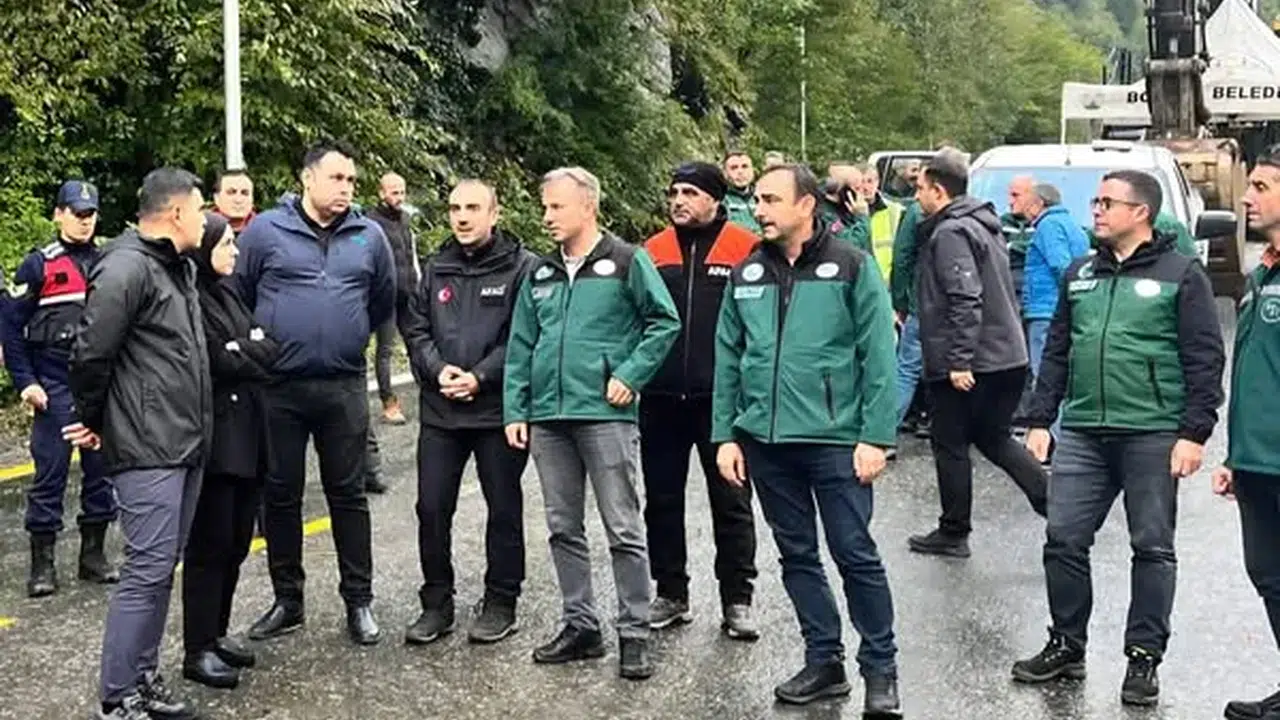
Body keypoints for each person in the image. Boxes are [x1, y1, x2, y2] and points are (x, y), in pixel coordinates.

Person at [1012, 170, 1225, 708]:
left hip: (1152, 432)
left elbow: (1204, 358)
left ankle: (1143, 658)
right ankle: (1067, 645)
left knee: (1151, 546)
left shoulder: (1181, 273)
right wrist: (1040, 419)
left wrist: (1194, 432)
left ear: (1141, 212)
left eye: (1108, 202)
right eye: (1096, 201)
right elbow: (1057, 350)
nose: (1097, 210)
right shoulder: (1081, 272)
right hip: (1084, 430)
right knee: (1063, 539)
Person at [712, 163, 901, 714]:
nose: (759, 209)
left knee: (855, 555)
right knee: (797, 556)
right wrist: (726, 434)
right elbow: (728, 358)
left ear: (806, 205)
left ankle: (881, 670)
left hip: (836, 441)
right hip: (766, 443)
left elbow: (878, 355)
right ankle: (824, 662)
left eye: (770, 199)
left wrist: (876, 437)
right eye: (756, 199)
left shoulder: (851, 266)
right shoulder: (748, 272)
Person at [503, 166, 680, 680]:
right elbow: (521, 344)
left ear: (588, 206)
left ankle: (634, 632)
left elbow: (663, 321)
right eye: (545, 206)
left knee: (622, 526)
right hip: (548, 418)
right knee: (563, 527)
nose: (547, 216)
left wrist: (630, 373)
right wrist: (516, 408)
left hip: (604, 414)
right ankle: (581, 626)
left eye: (556, 206)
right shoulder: (540, 272)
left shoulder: (626, 261)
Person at [235, 142, 396, 647]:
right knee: (279, 494)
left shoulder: (369, 236)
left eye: (351, 180)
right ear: (307, 179)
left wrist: (343, 335)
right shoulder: (266, 231)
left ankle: (359, 600)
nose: (346, 188)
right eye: (336, 178)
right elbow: (240, 294)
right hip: (278, 387)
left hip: (342, 385)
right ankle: (288, 600)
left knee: (348, 494)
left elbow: (381, 301)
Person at [69, 168, 211, 720]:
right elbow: (91, 352)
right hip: (149, 443)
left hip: (183, 439)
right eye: (199, 208)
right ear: (175, 213)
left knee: (161, 567)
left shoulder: (177, 267)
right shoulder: (127, 266)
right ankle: (117, 697)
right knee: (145, 570)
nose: (204, 219)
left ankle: (142, 679)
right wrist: (93, 418)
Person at [398, 180, 536, 645]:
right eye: (455, 207)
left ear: (494, 214)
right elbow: (416, 329)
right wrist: (438, 370)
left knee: (503, 509)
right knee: (431, 507)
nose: (462, 216)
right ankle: (436, 603)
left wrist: (480, 376)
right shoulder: (436, 266)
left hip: (496, 412)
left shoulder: (522, 267)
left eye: (473, 207)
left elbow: (523, 337)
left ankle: (501, 600)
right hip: (441, 412)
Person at [906, 148, 1048, 559]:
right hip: (1005, 355)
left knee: (949, 441)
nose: (916, 196)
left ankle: (954, 531)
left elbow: (965, 297)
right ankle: (1057, 508)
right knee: (993, 438)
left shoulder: (951, 233)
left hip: (974, 362)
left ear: (939, 190)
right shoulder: (984, 224)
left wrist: (959, 360)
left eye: (920, 188)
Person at [640, 162, 759, 638]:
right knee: (661, 500)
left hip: (722, 400)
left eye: (690, 193)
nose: (678, 201)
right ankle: (671, 592)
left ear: (715, 198)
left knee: (731, 500)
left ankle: (738, 599)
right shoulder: (653, 250)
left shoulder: (745, 248)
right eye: (673, 193)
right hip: (661, 397)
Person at [2, 180, 117, 598]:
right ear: (58, 214)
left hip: (99, 382)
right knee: (50, 472)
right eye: (76, 213)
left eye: (90, 214)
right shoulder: (39, 265)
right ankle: (42, 564)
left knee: (101, 469)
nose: (84, 221)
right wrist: (26, 382)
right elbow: (10, 328)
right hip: (54, 381)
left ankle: (93, 556)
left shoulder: (109, 262)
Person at [180, 213, 280, 690]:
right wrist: (244, 349)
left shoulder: (229, 293)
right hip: (217, 441)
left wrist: (244, 348)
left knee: (238, 542)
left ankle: (217, 633)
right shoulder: (192, 299)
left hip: (250, 436)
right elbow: (216, 359)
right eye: (226, 245)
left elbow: (268, 347)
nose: (235, 252)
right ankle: (196, 647)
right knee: (210, 546)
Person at [1218, 148, 1280, 720]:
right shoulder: (1261, 273)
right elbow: (1252, 369)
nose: (1246, 197)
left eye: (1261, 187)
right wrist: (1233, 454)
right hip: (1257, 459)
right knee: (1268, 574)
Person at [1020, 182, 1091, 443]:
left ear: (1039, 204)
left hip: (1045, 309)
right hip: (1062, 308)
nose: (1024, 209)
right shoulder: (1074, 226)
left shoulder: (1048, 226)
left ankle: (1053, 440)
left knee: (1045, 376)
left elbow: (1061, 266)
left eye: (1028, 203)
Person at [366, 171, 421, 425]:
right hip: (385, 297)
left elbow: (412, 256)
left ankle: (428, 393)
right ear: (382, 193)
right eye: (394, 192)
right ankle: (388, 402)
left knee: (417, 345)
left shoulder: (406, 219)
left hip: (408, 293)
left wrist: (418, 285)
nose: (399, 197)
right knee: (385, 350)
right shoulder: (371, 223)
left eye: (402, 192)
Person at [858, 164, 903, 281]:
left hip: (887, 282)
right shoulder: (849, 211)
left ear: (877, 182)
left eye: (870, 181)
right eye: (861, 182)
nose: (865, 187)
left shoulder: (894, 210)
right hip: (861, 280)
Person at [723, 151, 762, 234]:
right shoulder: (721, 200)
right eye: (734, 168)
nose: (740, 172)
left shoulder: (762, 197)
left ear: (752, 171)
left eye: (745, 167)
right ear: (725, 173)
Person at [211, 169, 256, 235]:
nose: (238, 200)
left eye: (245, 193)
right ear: (216, 198)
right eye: (231, 193)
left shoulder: (264, 228)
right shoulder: (202, 228)